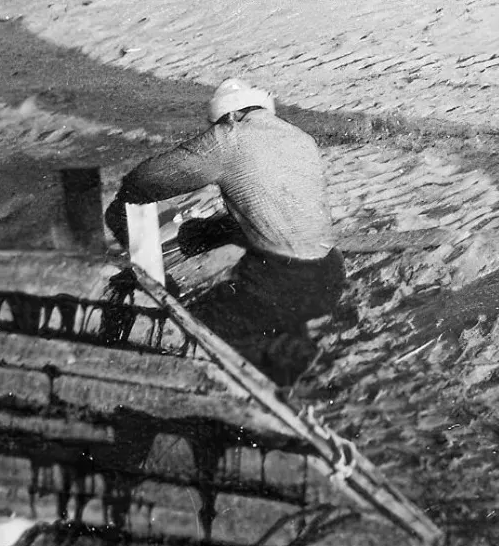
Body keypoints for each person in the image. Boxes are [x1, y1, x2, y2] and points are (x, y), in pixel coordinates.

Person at [105, 78, 341, 382]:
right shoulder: (299, 137)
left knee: (198, 328)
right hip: (329, 273)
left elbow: (145, 181)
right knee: (217, 230)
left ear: (229, 115)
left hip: (284, 279)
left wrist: (127, 206)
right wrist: (211, 198)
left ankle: (160, 286)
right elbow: (273, 194)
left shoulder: (230, 136)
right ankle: (292, 346)